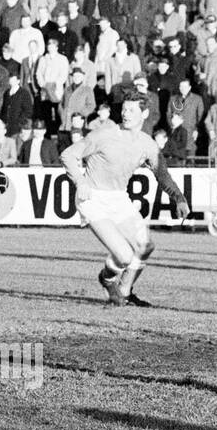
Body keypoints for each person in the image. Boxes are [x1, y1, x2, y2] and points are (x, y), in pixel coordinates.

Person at [59, 92, 191, 306]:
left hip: (119, 198)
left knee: (145, 246)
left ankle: (125, 291)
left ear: (145, 113)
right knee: (123, 255)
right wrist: (80, 183)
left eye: (132, 110)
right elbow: (68, 155)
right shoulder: (103, 134)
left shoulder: (147, 144)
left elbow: (162, 174)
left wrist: (179, 198)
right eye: (124, 109)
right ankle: (107, 278)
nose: (125, 114)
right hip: (93, 197)